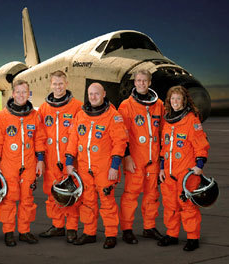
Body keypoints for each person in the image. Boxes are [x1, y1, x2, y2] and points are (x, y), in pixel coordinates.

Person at [65, 83, 128, 249]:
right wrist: (70, 163)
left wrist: (115, 166)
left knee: (107, 202)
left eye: (96, 94)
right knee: (87, 201)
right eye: (90, 94)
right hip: (85, 168)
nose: (93, 97)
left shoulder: (113, 116)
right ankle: (89, 232)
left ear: (104, 94)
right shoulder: (80, 115)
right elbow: (73, 140)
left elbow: (120, 143)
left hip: (105, 169)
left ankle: (111, 234)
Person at [0, 80, 46, 247]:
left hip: (29, 164)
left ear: (29, 94)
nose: (21, 95)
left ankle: (24, 231)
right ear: (13, 94)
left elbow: (39, 139)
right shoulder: (3, 116)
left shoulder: (35, 115)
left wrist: (40, 161)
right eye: (18, 92)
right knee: (8, 199)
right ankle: (8, 232)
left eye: (25, 92)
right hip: (8, 165)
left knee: (27, 199)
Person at [158, 85, 210, 251]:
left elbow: (201, 145)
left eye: (178, 99)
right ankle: (172, 235)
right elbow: (164, 147)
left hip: (187, 172)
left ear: (184, 100)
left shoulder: (191, 120)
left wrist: (199, 166)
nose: (175, 102)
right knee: (170, 206)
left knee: (187, 206)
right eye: (172, 99)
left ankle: (193, 238)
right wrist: (161, 168)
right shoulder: (167, 121)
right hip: (168, 171)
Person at [118, 69, 164, 244]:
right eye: (138, 80)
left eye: (145, 81)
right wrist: (127, 157)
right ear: (134, 82)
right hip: (135, 159)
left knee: (152, 195)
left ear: (149, 82)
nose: (142, 83)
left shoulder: (158, 104)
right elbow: (122, 135)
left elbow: (163, 131)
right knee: (131, 195)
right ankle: (127, 229)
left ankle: (149, 227)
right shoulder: (126, 106)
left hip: (153, 159)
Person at [38, 70, 83, 243]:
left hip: (69, 161)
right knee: (52, 194)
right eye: (55, 84)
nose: (58, 87)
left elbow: (81, 133)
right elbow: (40, 135)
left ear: (67, 84)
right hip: (50, 160)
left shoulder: (77, 106)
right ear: (50, 85)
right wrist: (40, 159)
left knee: (71, 193)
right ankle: (57, 226)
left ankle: (71, 228)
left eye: (61, 84)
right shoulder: (44, 108)